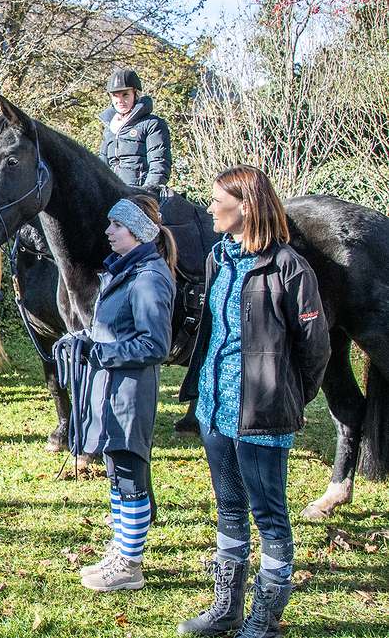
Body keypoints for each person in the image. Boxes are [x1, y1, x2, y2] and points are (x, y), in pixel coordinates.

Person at [174, 166, 329, 638]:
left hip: (262, 415)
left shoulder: (289, 267)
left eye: (216, 199)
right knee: (229, 509)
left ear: (245, 206)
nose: (209, 208)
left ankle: (265, 618)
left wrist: (285, 397)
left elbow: (316, 348)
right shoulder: (217, 258)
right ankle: (227, 608)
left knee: (270, 518)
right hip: (214, 409)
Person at [53, 195, 176, 593]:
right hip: (111, 392)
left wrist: (99, 353)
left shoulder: (149, 278)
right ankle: (121, 548)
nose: (108, 231)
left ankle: (130, 565)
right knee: (116, 474)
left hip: (130, 395)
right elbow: (113, 330)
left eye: (117, 226)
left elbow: (155, 344)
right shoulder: (122, 271)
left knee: (131, 478)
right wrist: (82, 338)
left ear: (138, 232)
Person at [98, 69, 172, 189]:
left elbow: (159, 164)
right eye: (115, 96)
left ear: (135, 95)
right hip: (114, 192)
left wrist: (145, 194)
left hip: (140, 192)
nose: (120, 101)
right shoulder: (109, 130)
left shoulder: (152, 124)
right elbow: (101, 167)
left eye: (125, 95)